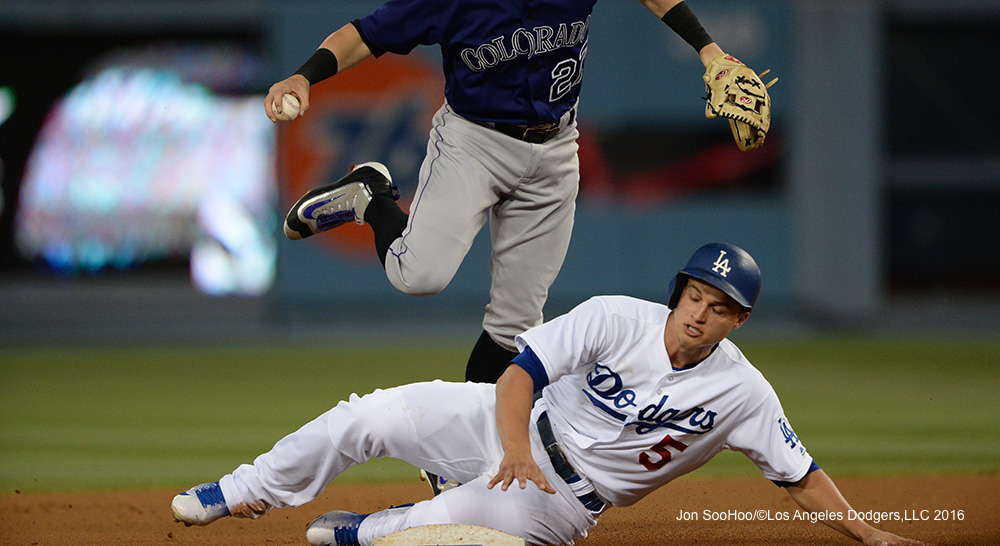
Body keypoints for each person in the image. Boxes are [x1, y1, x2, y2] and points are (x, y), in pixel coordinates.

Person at [265, 0, 774, 384]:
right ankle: (369, 195)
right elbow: (365, 34)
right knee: (417, 276)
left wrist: (709, 50)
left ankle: (466, 448)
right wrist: (303, 76)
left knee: (517, 327)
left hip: (555, 147)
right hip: (475, 142)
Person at [171, 242, 928, 546]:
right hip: (514, 430)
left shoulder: (745, 393)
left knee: (444, 535)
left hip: (563, 504)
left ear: (739, 319)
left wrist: (868, 534)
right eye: (695, 293)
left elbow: (799, 474)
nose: (700, 311)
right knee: (368, 414)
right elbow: (517, 375)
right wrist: (508, 449)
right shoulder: (616, 316)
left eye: (719, 304)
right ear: (680, 292)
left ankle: (368, 529)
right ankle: (243, 489)